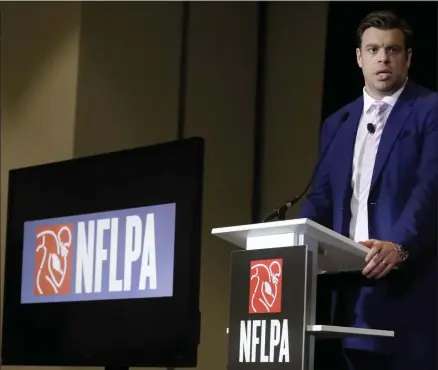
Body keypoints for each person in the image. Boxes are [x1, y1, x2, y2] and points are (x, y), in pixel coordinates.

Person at [299, 10, 438, 370]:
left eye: (392, 50)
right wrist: (294, 241)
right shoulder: (339, 122)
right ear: (359, 57)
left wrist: (401, 246)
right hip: (348, 287)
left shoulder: (429, 109)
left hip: (408, 282)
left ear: (407, 58)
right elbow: (322, 197)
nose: (383, 58)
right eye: (373, 49)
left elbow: (430, 186)